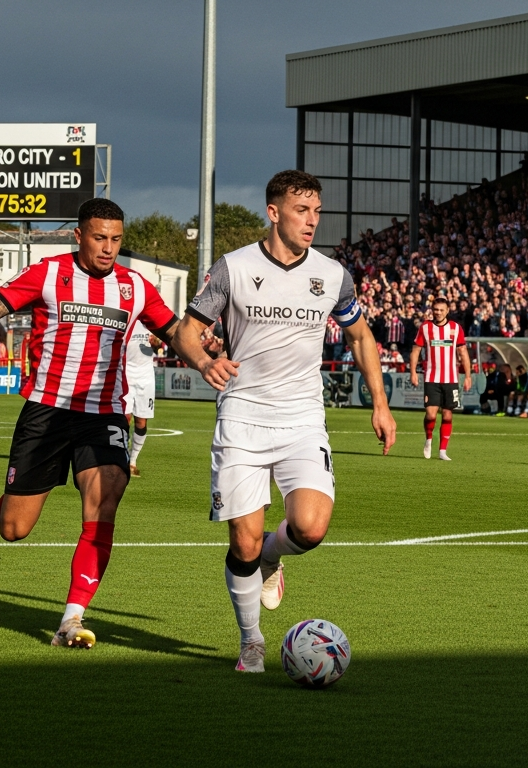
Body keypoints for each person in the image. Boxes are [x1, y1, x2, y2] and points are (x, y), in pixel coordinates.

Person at [0, 198, 177, 650]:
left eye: (116, 239)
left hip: (103, 413)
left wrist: (212, 359)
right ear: (78, 235)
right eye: (99, 237)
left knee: (107, 493)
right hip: (47, 411)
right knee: (14, 528)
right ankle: (15, 493)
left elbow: (175, 331)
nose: (108, 247)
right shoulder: (50, 274)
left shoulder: (135, 287)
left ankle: (71, 619)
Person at [168, 170, 396, 674]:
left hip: (302, 419)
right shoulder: (233, 268)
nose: (312, 221)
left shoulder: (333, 275)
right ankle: (251, 640)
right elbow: (187, 332)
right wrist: (205, 363)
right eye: (301, 211)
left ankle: (274, 558)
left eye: (317, 211)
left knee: (311, 529)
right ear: (274, 213)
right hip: (244, 417)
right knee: (243, 541)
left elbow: (360, 337)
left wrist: (379, 402)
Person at [409, 297, 471, 460]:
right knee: (430, 415)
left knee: (448, 415)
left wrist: (468, 376)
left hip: (451, 379)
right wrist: (413, 372)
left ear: (447, 311)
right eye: (435, 309)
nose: (438, 312)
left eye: (441, 310)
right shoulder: (426, 327)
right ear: (432, 310)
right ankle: (429, 439)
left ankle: (443, 450)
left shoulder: (456, 328)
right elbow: (415, 351)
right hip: (431, 377)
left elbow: (463, 353)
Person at [123, 320, 157, 476]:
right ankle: (122, 458)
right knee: (124, 418)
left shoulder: (150, 320)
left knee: (141, 422)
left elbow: (157, 343)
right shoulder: (126, 318)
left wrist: (154, 341)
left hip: (146, 377)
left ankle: (133, 461)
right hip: (127, 373)